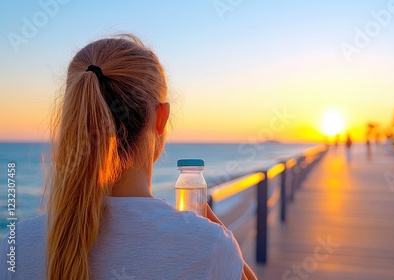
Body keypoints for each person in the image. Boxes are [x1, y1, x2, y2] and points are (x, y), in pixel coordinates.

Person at [0, 34, 257, 280]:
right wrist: (221, 239)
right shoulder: (209, 245)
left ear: (75, 116)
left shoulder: (17, 244)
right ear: (161, 118)